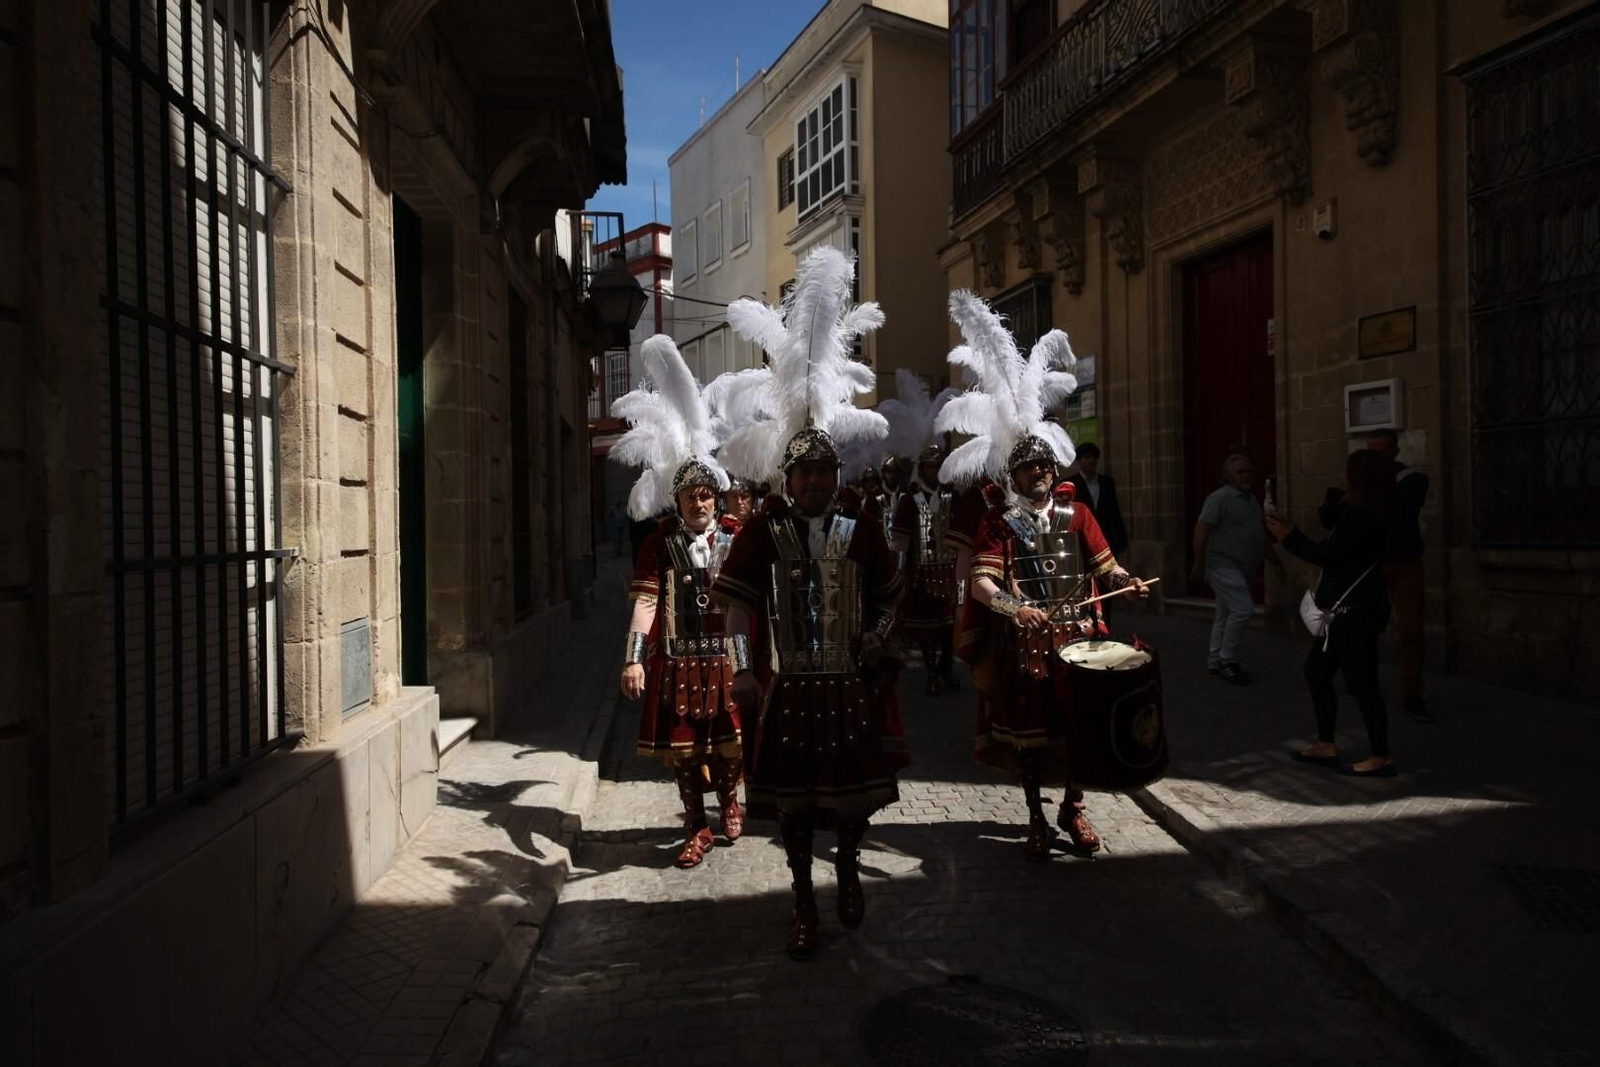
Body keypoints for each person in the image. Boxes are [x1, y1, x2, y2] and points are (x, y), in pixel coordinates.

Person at [713, 244, 907, 960]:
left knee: (852, 803)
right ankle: (802, 901)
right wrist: (740, 668)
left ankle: (850, 867)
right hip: (791, 686)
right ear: (789, 479)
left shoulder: (859, 529)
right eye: (808, 473)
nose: (819, 482)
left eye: (827, 471)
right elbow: (735, 603)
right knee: (794, 810)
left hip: (848, 684)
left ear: (836, 475)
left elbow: (893, 596)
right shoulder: (763, 528)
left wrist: (881, 636)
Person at [943, 290, 1149, 861]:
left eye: (1044, 466)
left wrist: (1128, 581)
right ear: (1013, 474)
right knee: (1031, 740)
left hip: (1082, 638)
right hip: (1026, 642)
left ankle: (1073, 808)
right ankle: (1036, 814)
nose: (1037, 474)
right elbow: (981, 584)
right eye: (1027, 467)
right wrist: (1016, 609)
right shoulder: (997, 523)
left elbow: (1106, 565)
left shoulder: (1079, 513)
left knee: (1080, 729)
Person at [612, 336, 745, 869]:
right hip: (676, 658)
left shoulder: (739, 533)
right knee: (684, 751)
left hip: (729, 656)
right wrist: (632, 657)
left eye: (707, 493)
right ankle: (696, 826)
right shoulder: (658, 541)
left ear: (717, 494)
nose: (699, 502)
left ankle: (732, 800)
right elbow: (646, 600)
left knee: (730, 744)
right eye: (690, 495)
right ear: (677, 498)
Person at [1267, 449, 1396, 776]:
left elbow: (1328, 555)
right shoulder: (1357, 511)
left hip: (1355, 615)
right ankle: (1325, 744)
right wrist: (1292, 528)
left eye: (1348, 471)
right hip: (1344, 616)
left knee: (1363, 683)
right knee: (1317, 672)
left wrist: (1287, 538)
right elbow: (1329, 521)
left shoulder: (1363, 517)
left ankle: (1380, 757)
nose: (1342, 474)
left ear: (1360, 477)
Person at [1191, 453, 1284, 684]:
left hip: (1243, 568)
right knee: (1243, 609)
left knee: (1224, 614)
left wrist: (1276, 562)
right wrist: (1198, 564)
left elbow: (1259, 535)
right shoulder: (1219, 498)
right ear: (1228, 475)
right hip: (1222, 564)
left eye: (1248, 471)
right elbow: (1202, 530)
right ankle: (1227, 661)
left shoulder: (1251, 499)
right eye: (1240, 472)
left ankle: (1214, 662)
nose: (1246, 476)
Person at [1370, 429, 1430, 723]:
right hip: (1372, 563)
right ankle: (1362, 680)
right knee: (1364, 625)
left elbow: (1401, 514)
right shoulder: (1363, 485)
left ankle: (1412, 692)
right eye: (1372, 452)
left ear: (1394, 451)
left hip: (1405, 561)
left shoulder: (1411, 480)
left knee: (1411, 630)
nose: (1377, 458)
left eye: (1382, 452)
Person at [892, 445, 962, 694]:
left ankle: (945, 667)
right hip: (920, 574)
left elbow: (962, 534)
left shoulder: (952, 496)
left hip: (951, 572)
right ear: (922, 469)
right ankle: (932, 672)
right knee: (926, 630)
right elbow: (900, 540)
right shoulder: (910, 499)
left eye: (936, 466)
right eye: (929, 467)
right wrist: (900, 573)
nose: (933, 471)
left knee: (950, 627)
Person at [1068, 443, 1128, 558]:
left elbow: (1114, 512)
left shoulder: (1107, 482)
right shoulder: (1071, 484)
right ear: (1079, 460)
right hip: (1081, 541)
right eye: (1087, 457)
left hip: (1105, 539)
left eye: (1094, 457)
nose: (1091, 461)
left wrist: (1121, 539)